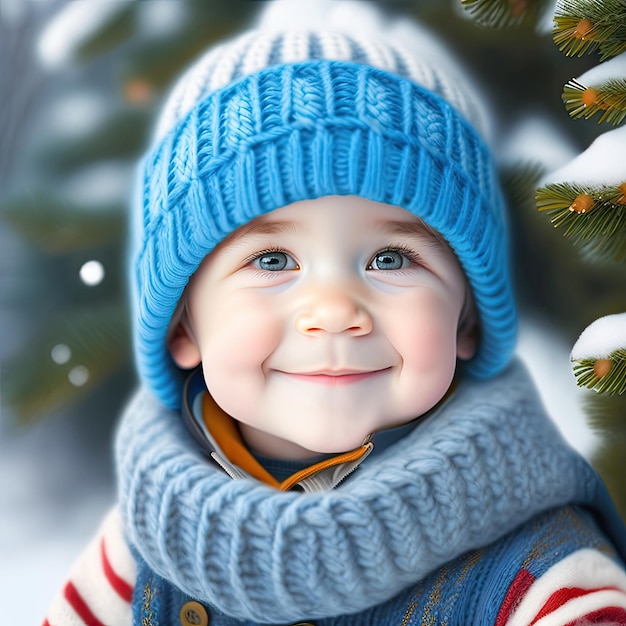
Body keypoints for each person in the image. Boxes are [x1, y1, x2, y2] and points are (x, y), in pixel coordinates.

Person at [43, 2, 626, 625]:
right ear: (183, 326)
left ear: (467, 320)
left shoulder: (543, 576)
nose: (333, 311)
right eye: (270, 259)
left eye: (391, 258)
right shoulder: (139, 547)